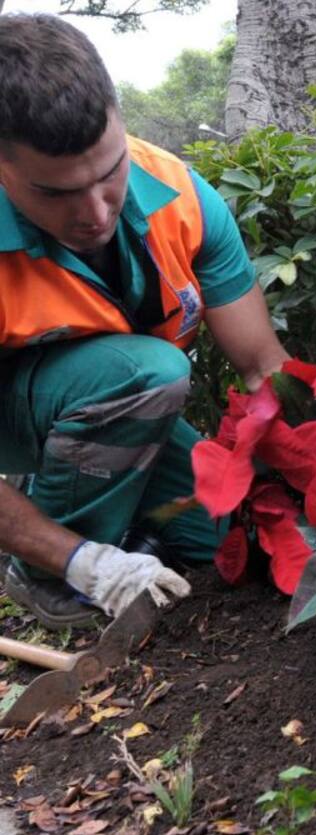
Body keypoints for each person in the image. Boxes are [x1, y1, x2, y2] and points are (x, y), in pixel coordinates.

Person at [0, 14, 290, 629]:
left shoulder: (181, 194)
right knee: (148, 372)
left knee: (228, 533)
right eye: (56, 193)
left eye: (109, 174)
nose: (95, 212)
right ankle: (47, 567)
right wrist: (80, 561)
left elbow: (265, 369)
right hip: (38, 408)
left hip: (121, 408)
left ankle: (110, 511)